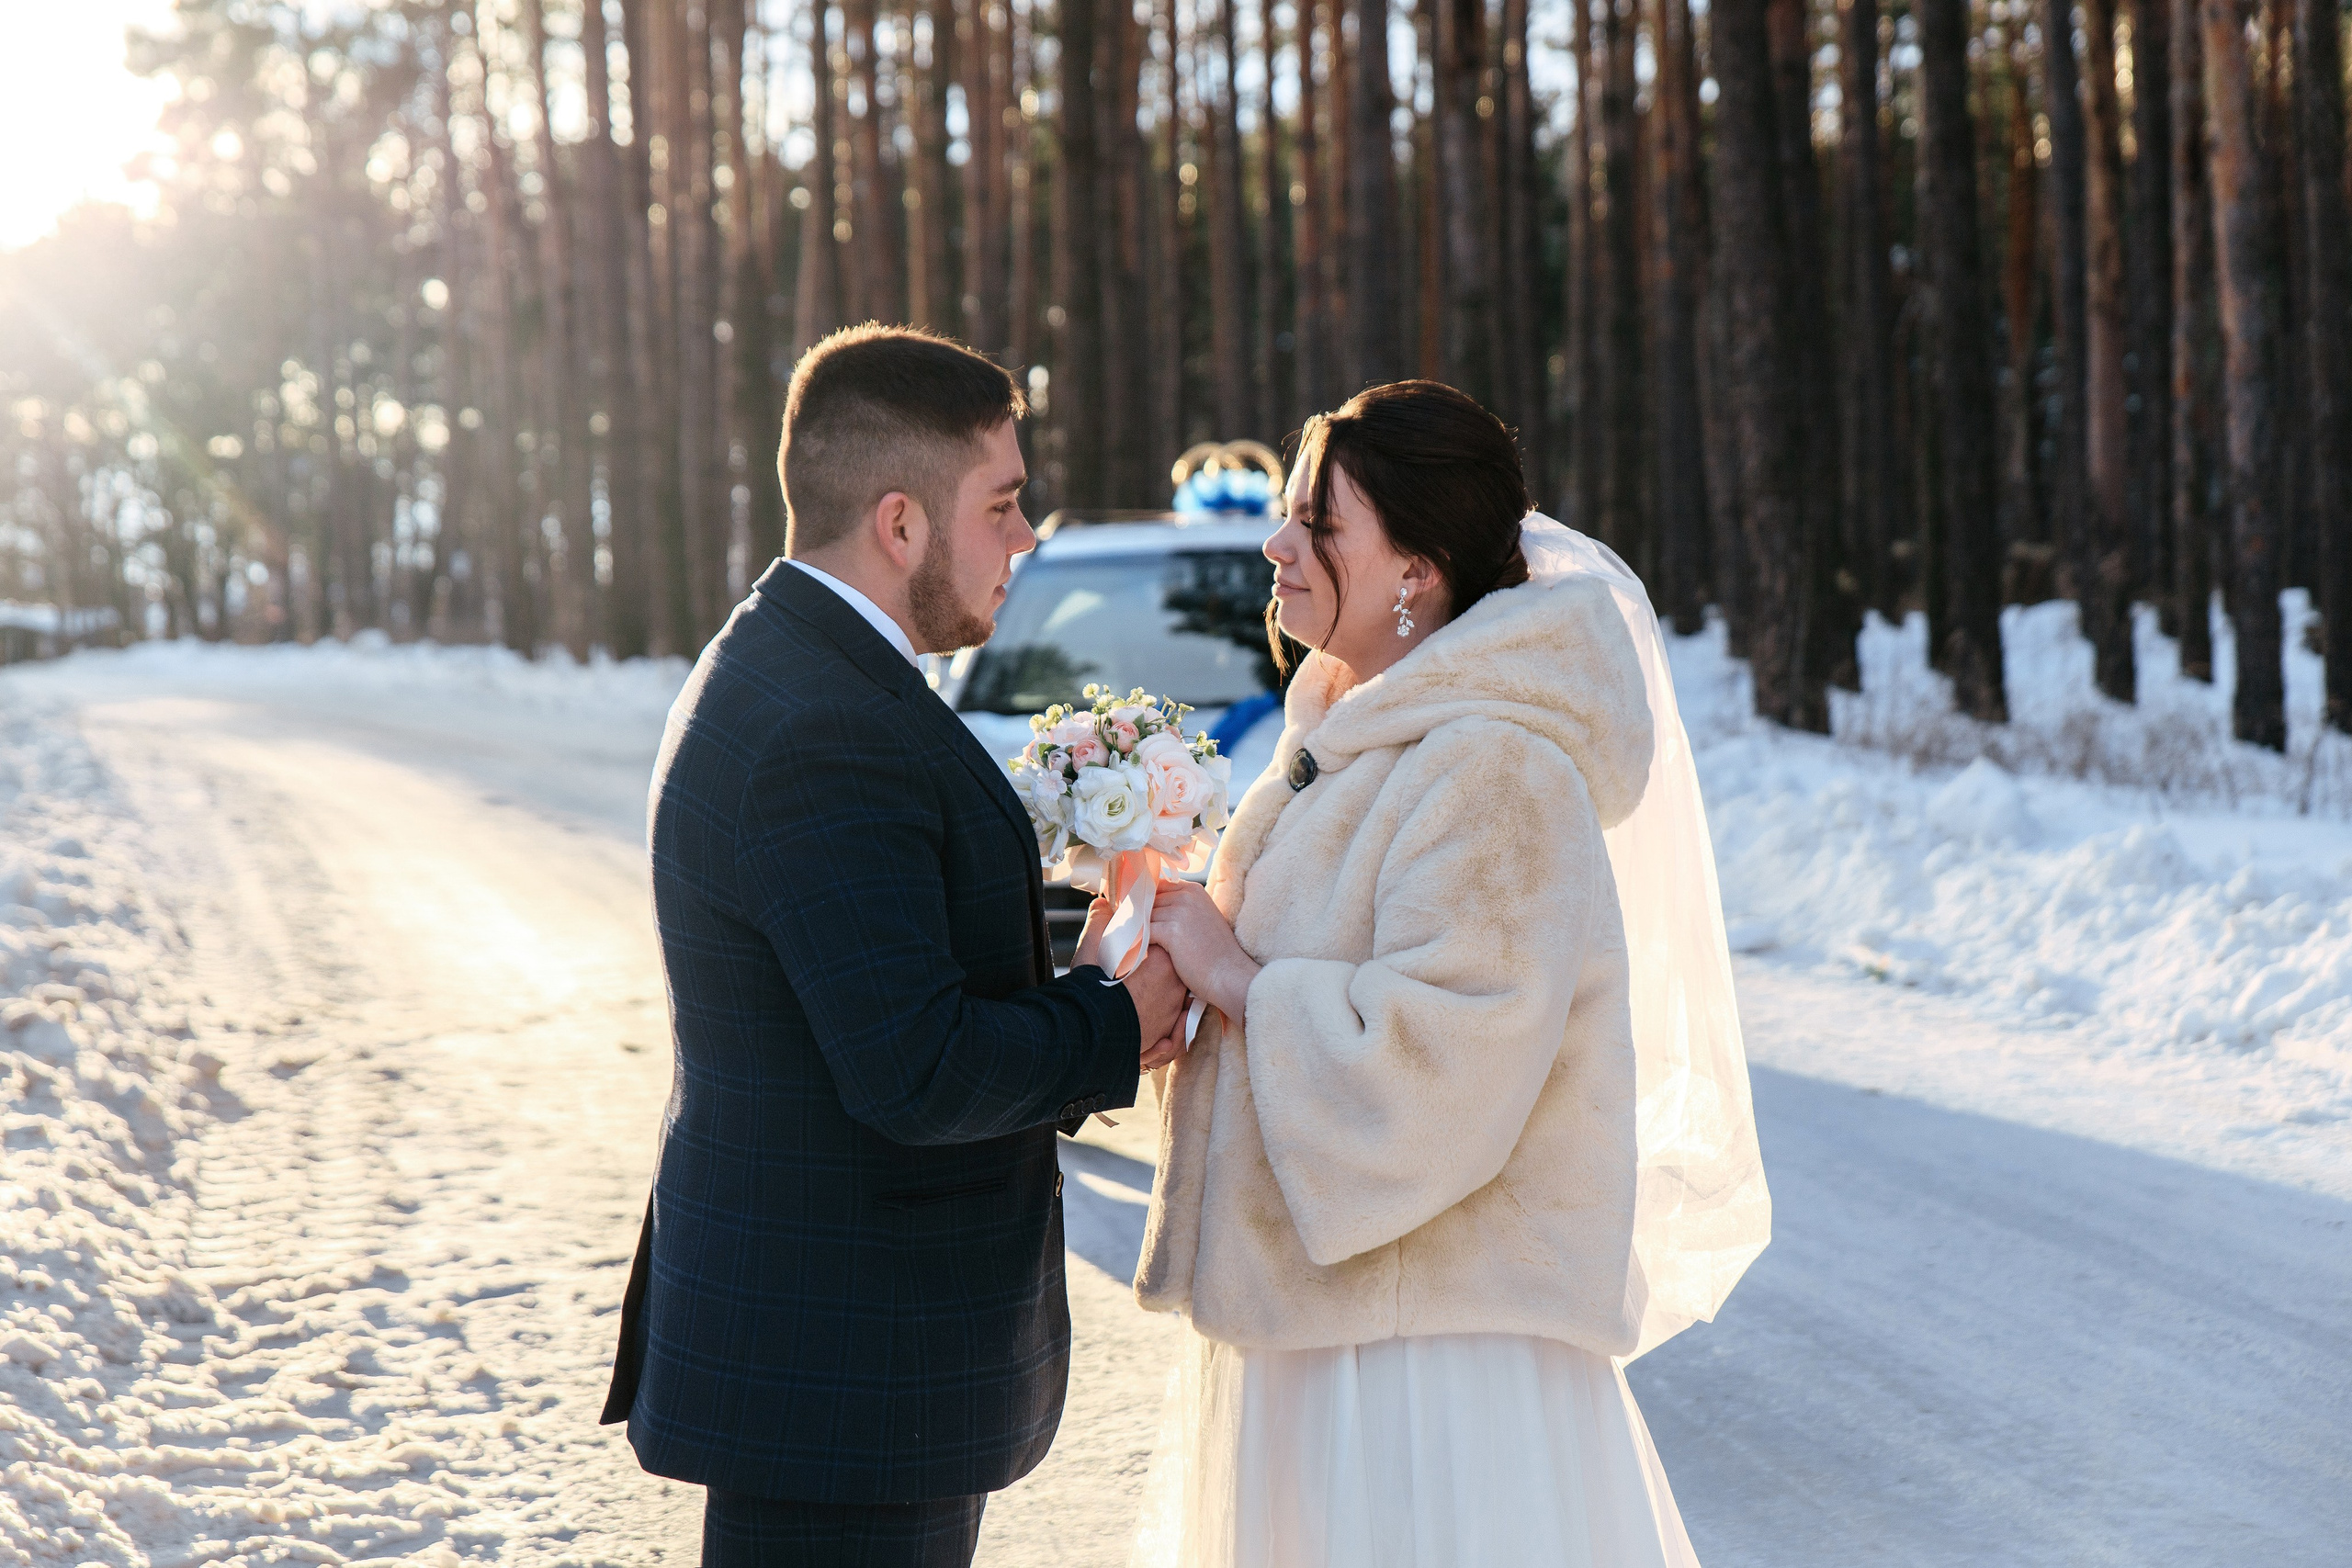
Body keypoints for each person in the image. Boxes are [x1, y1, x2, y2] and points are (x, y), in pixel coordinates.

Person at [1129, 380, 1772, 1567]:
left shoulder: (1493, 764)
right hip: (1335, 1331)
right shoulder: (1353, 732)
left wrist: (1232, 977)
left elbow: (1442, 1068)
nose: (1277, 545)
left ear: (1415, 569)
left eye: (1317, 524)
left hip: (1424, 1368)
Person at [600, 323, 1193, 1568]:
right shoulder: (825, 725)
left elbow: (868, 944)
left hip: (835, 1363)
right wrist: (1116, 1024)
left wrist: (1075, 946)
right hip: (844, 1373)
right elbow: (912, 1065)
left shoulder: (807, 669)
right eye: (1005, 502)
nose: (1028, 537)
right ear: (901, 523)